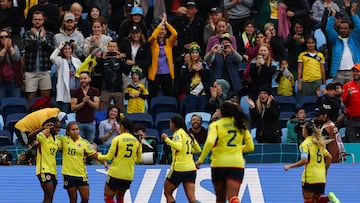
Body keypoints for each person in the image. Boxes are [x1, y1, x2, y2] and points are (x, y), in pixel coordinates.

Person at [196, 101, 254, 203]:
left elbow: (209, 142)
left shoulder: (216, 125)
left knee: (220, 199)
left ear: (221, 112)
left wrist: (200, 160)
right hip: (236, 164)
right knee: (233, 197)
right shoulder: (241, 125)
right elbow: (250, 147)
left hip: (219, 164)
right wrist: (237, 149)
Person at [284, 120, 340, 203]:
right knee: (316, 200)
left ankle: (329, 198)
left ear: (305, 131)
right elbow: (329, 157)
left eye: (303, 129)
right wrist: (325, 169)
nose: (302, 131)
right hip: (321, 177)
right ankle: (329, 198)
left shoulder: (305, 144)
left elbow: (304, 160)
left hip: (310, 177)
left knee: (308, 200)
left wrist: (290, 166)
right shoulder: (319, 142)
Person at [95, 118, 142, 203]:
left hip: (116, 173)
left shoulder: (117, 139)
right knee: (120, 197)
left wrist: (99, 156)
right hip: (128, 175)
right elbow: (139, 159)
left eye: (119, 126)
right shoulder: (137, 141)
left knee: (107, 197)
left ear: (122, 126)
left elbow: (109, 157)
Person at [161, 115, 201, 203]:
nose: (169, 125)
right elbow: (198, 149)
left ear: (174, 124)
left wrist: (166, 139)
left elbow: (178, 146)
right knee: (192, 198)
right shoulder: (189, 135)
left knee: (167, 193)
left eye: (170, 123)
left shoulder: (177, 134)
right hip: (191, 169)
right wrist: (189, 151)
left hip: (179, 168)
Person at [59, 121, 97, 203]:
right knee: (73, 200)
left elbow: (94, 153)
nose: (75, 131)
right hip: (68, 174)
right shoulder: (63, 140)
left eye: (77, 129)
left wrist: (104, 162)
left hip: (81, 174)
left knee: (85, 198)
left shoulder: (84, 142)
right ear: (68, 132)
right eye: (73, 130)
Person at [22, 10, 55, 106]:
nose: (37, 21)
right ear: (32, 21)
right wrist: (35, 38)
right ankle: (30, 115)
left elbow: (50, 49)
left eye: (39, 19)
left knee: (46, 95)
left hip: (44, 70)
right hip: (30, 70)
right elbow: (27, 47)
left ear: (43, 21)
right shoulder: (27, 34)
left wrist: (43, 39)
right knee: (30, 96)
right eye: (35, 19)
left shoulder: (49, 34)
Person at [27, 117, 61, 203]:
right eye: (56, 127)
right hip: (43, 169)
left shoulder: (57, 139)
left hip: (53, 170)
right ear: (49, 127)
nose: (58, 129)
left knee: (49, 197)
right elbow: (30, 137)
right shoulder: (42, 136)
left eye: (59, 127)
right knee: (48, 195)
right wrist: (42, 128)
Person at [325, 3, 360, 85]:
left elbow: (359, 27)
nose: (343, 30)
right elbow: (328, 29)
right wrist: (332, 15)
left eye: (345, 28)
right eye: (341, 28)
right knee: (338, 96)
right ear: (339, 29)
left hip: (353, 72)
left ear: (349, 30)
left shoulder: (354, 39)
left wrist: (353, 13)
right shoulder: (335, 40)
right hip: (338, 73)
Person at [148, 13, 177, 99]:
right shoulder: (153, 42)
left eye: (163, 30)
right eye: (159, 29)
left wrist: (166, 23)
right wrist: (160, 25)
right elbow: (153, 36)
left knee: (168, 95)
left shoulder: (169, 42)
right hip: (155, 73)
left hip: (167, 73)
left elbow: (175, 34)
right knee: (152, 96)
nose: (161, 31)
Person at [204, 33, 243, 97]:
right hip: (218, 84)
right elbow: (207, 60)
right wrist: (211, 52)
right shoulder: (216, 55)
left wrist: (232, 50)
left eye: (227, 43)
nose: (225, 45)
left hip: (232, 84)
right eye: (223, 43)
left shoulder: (233, 54)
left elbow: (240, 59)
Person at [97, 40, 128, 112]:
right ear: (107, 47)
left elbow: (126, 71)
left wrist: (120, 59)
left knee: (120, 112)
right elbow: (97, 70)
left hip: (118, 90)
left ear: (117, 48)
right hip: (105, 89)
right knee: (102, 111)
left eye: (114, 46)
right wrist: (102, 59)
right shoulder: (103, 59)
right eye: (110, 46)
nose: (112, 48)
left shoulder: (120, 59)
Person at [50, 41, 81, 113]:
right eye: (65, 49)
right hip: (64, 91)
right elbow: (52, 58)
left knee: (74, 113)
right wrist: (59, 47)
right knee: (63, 113)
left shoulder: (76, 60)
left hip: (75, 90)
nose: (67, 51)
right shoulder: (59, 60)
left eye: (69, 49)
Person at [71, 71, 100, 142]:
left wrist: (89, 101)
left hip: (91, 122)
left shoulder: (95, 91)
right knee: (79, 143)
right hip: (79, 122)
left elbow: (96, 106)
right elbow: (73, 108)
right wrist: (83, 103)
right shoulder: (75, 92)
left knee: (90, 144)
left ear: (89, 79)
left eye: (85, 78)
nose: (83, 80)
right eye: (81, 79)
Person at [181, 42, 210, 113]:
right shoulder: (185, 65)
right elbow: (184, 79)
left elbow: (207, 78)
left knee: (202, 113)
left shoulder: (204, 64)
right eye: (193, 52)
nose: (194, 54)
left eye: (196, 52)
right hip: (191, 93)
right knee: (191, 113)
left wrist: (200, 71)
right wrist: (193, 70)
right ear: (190, 54)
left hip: (203, 93)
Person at [0, 28, 22, 98]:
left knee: (15, 102)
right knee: (2, 104)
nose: (4, 38)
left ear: (10, 38)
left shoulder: (14, 47)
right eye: (1, 37)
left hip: (14, 81)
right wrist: (5, 48)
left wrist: (10, 48)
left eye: (6, 37)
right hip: (1, 81)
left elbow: (16, 58)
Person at [342, 63, 360, 143]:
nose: (355, 73)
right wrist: (348, 95)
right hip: (352, 119)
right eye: (353, 71)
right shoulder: (347, 86)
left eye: (357, 71)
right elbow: (345, 102)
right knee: (351, 142)